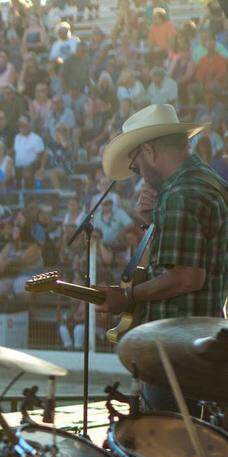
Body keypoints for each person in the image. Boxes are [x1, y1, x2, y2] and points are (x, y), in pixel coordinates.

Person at [97, 104, 228, 413]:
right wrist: (151, 220)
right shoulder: (206, 182)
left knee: (165, 445)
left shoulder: (180, 194)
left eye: (136, 165)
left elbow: (186, 276)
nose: (138, 174)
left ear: (151, 152)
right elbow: (192, 254)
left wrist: (127, 297)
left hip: (176, 352)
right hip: (199, 345)